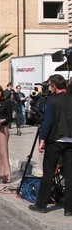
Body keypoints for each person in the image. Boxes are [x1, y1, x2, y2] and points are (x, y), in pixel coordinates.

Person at [28, 74, 72, 216]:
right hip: (70, 141)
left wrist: (42, 140)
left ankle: (42, 204)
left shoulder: (52, 100)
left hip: (55, 141)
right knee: (70, 175)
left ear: (54, 85)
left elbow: (47, 122)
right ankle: (69, 209)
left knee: (48, 173)